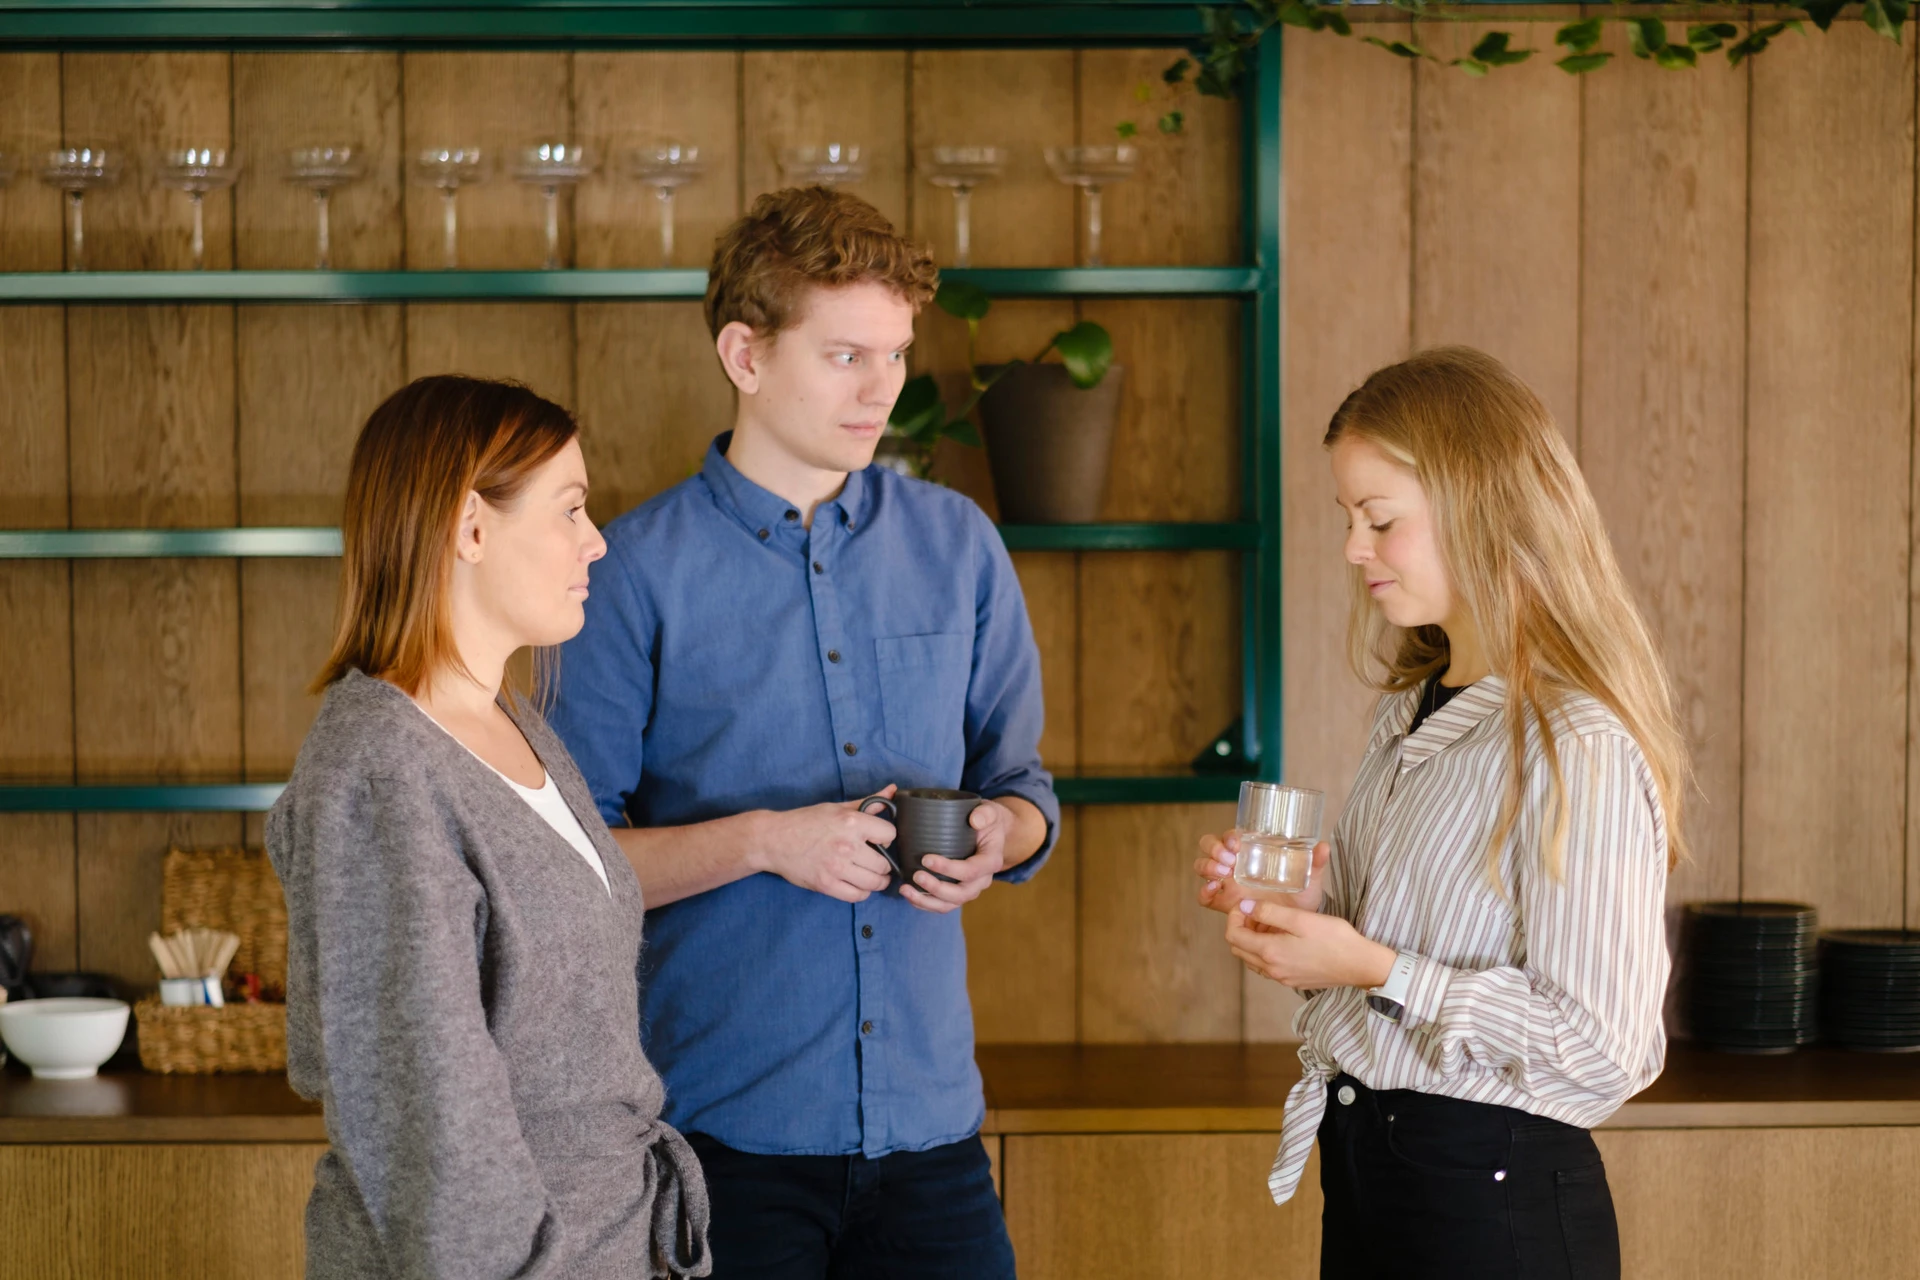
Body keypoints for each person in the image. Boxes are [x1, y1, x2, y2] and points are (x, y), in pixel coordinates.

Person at [548, 186, 1058, 1278]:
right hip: (723, 1145)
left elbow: (1022, 785)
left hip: (933, 1134)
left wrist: (1001, 838)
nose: (883, 389)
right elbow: (570, 866)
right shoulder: (629, 571)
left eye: (896, 354)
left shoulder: (960, 544)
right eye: (845, 356)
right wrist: (768, 841)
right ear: (746, 353)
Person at [1193, 347, 1685, 1279]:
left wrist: (1374, 966)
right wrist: (1306, 921)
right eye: (1348, 519)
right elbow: (1391, 955)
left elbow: (1604, 1050)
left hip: (1495, 1212)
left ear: (1480, 506)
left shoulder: (1575, 741)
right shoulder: (1411, 709)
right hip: (1374, 1178)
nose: (1354, 549)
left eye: (1380, 519)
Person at [267, 375, 711, 1279]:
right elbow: (428, 1111)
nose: (596, 540)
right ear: (471, 526)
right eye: (571, 509)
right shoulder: (380, 767)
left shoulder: (514, 722)